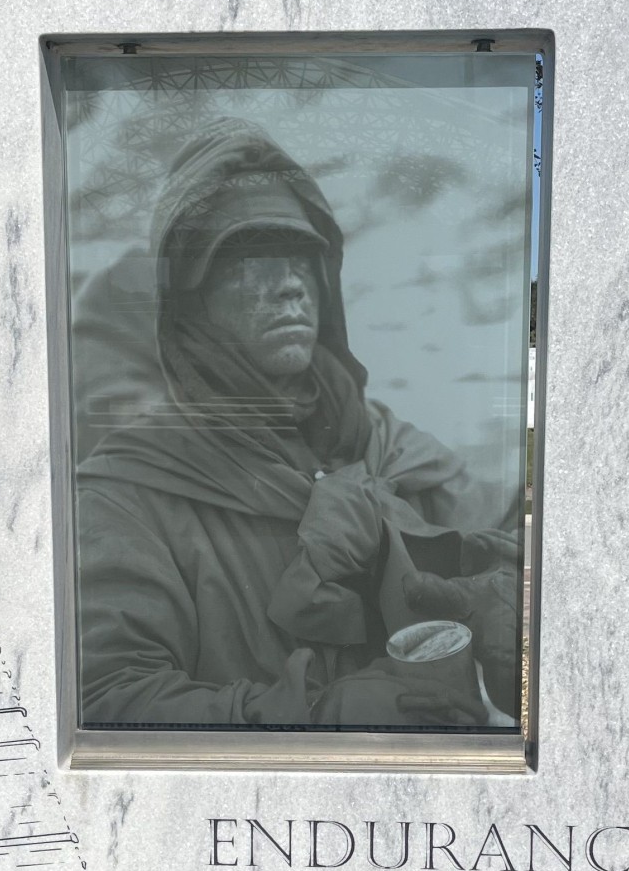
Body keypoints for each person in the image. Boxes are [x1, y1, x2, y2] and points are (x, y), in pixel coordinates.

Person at [76, 121, 519, 729]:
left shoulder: (394, 450)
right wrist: (313, 716)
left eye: (301, 260)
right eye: (250, 260)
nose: (288, 285)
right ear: (191, 299)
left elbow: (522, 551)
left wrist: (514, 606)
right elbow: (109, 701)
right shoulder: (127, 494)